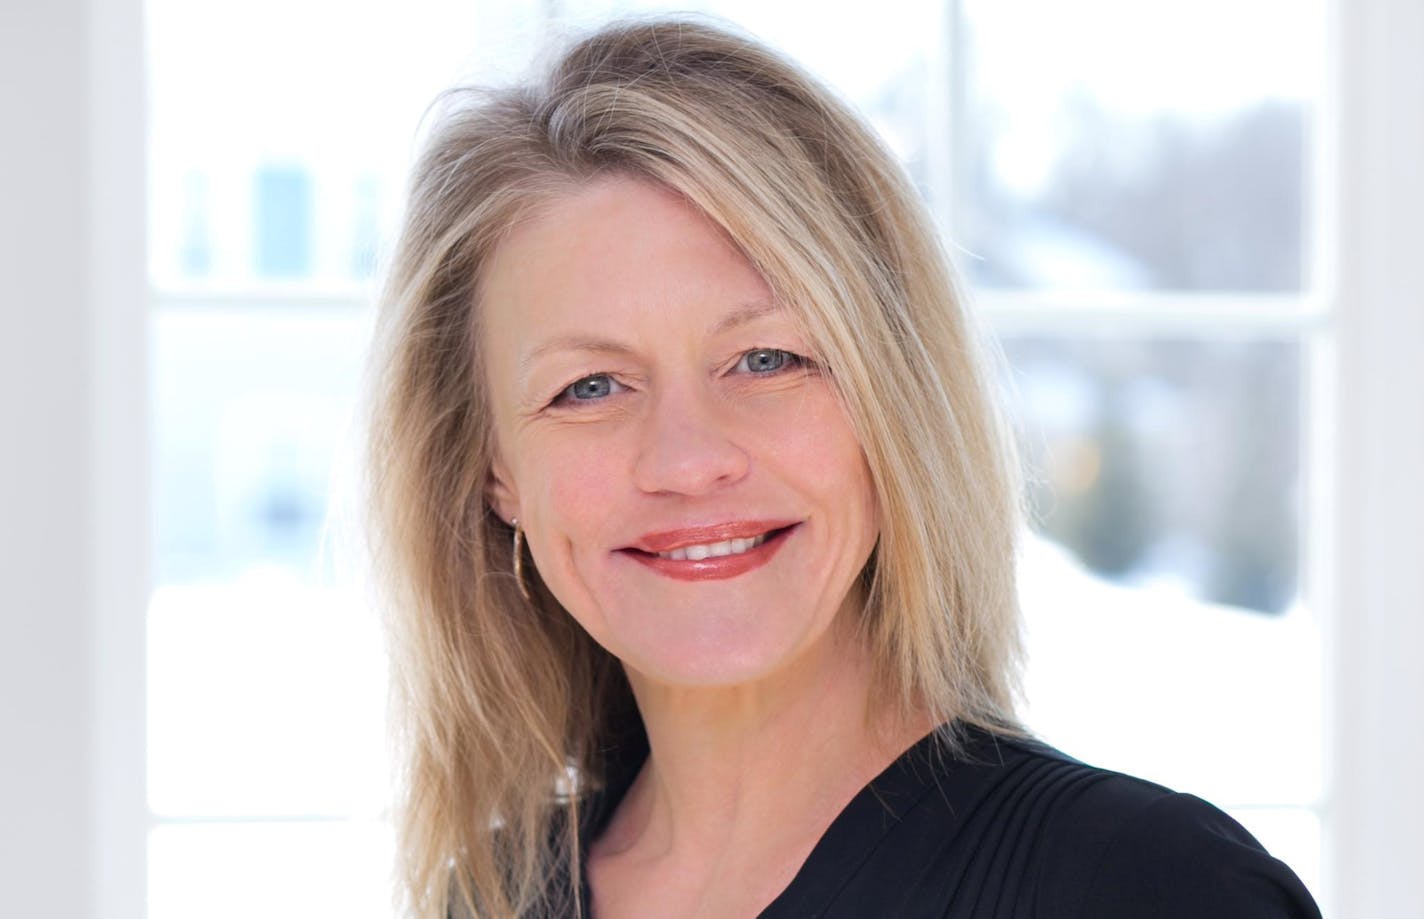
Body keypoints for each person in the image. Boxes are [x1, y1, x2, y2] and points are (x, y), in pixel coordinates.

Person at [366, 17, 1322, 919]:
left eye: (768, 360)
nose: (689, 461)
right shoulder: (491, 895)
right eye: (589, 387)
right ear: (493, 469)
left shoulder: (1150, 890)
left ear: (889, 400)